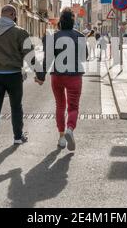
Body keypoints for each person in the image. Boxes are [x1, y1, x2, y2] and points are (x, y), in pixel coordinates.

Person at [35, 8, 87, 151]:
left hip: (57, 76)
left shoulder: (53, 37)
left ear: (60, 22)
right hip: (74, 76)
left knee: (60, 105)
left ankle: (61, 137)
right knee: (73, 106)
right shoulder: (80, 36)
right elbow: (84, 57)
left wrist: (40, 77)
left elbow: (48, 59)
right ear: (73, 21)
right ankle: (70, 128)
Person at [0, 5, 32, 152]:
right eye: (15, 16)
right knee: (16, 106)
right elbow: (29, 54)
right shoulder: (20, 32)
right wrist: (40, 74)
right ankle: (18, 136)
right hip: (13, 74)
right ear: (12, 14)